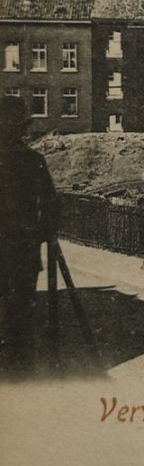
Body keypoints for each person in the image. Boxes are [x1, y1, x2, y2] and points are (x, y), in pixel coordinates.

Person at [0, 97, 60, 377]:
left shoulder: (33, 161)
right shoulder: (33, 161)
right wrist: (45, 233)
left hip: (18, 251)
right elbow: (52, 208)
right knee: (19, 319)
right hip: (23, 252)